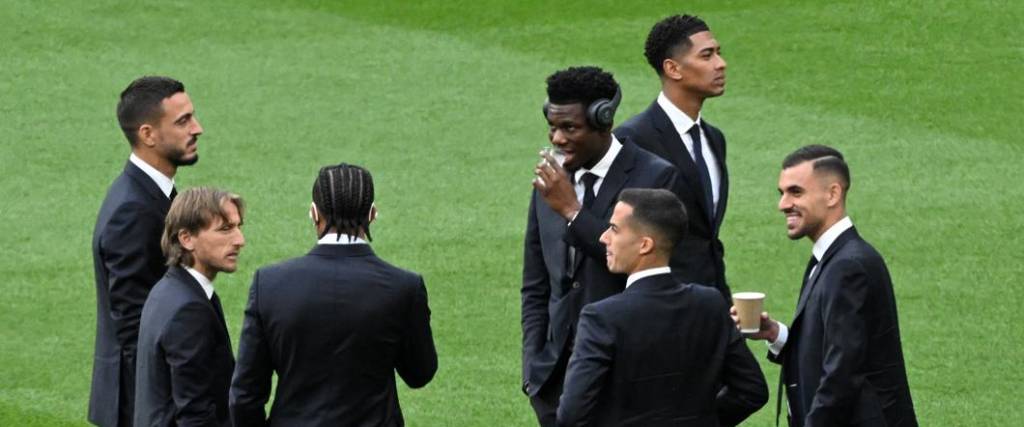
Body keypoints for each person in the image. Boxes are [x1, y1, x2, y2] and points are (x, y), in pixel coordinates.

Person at [522, 66, 678, 426]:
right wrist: (533, 370)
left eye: (570, 128)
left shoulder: (654, 177)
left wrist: (572, 211)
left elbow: (640, 262)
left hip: (625, 378)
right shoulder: (550, 181)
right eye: (553, 127)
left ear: (603, 120)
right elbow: (536, 283)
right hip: (555, 383)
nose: (558, 139)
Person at [230, 163, 437, 426]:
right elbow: (420, 373)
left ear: (314, 213)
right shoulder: (404, 287)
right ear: (372, 214)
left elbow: (245, 395)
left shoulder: (269, 284)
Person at [737, 145, 917, 426]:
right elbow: (833, 349)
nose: (783, 204)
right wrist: (776, 334)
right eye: (782, 193)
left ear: (832, 194)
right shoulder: (833, 258)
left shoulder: (848, 266)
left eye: (796, 192)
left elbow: (842, 373)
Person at [557, 188, 767, 426]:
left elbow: (571, 415)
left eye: (614, 229)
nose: (604, 237)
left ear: (645, 245)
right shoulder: (710, 304)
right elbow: (752, 390)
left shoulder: (602, 317)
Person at [89, 76, 203, 427]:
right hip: (141, 407)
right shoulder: (134, 211)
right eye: (182, 121)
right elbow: (136, 326)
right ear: (148, 134)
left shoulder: (150, 194)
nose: (197, 129)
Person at [615, 14, 731, 302]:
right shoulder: (633, 139)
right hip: (660, 308)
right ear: (673, 68)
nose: (721, 63)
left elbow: (706, 236)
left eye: (718, 53)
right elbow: (619, 233)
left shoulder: (714, 138)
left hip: (710, 301)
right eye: (707, 55)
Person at [134, 187, 245, 426]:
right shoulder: (188, 310)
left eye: (238, 227)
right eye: (225, 229)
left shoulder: (167, 291)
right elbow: (195, 415)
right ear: (186, 238)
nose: (239, 240)